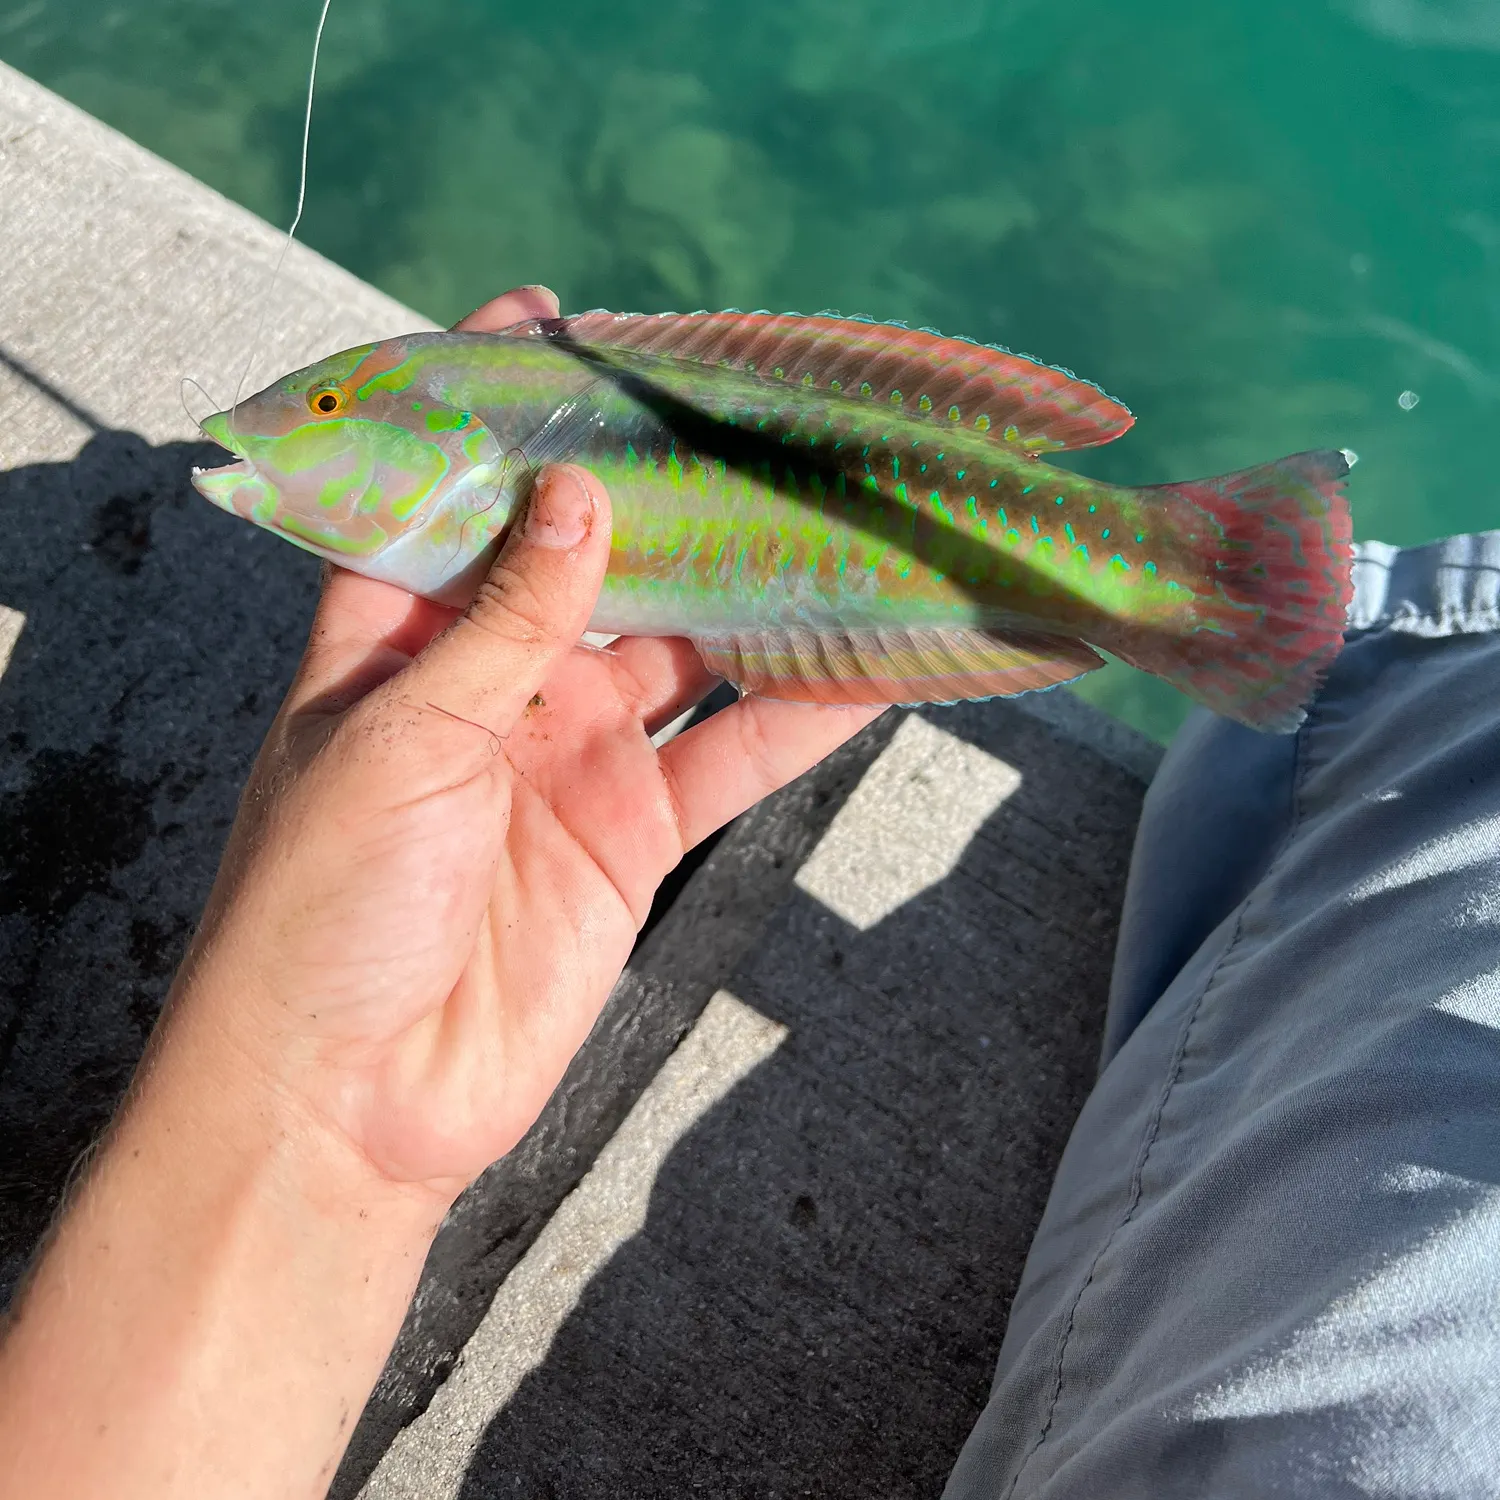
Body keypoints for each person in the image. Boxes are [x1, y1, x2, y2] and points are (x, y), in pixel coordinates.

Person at [3, 284, 1498, 1498]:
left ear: (447, 439)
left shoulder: (510, 445)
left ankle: (1205, 581)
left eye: (329, 409)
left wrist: (313, 1119)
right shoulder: (492, 436)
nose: (286, 428)